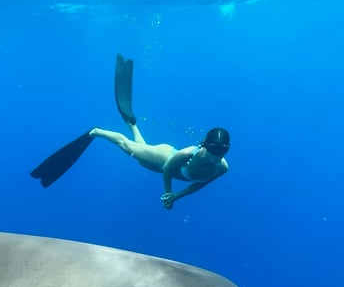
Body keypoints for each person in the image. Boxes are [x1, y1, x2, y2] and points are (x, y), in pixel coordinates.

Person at [31, 54, 229, 210]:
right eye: (213, 149)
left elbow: (200, 184)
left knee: (140, 154)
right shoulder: (188, 153)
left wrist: (177, 196)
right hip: (164, 158)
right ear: (204, 144)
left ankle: (132, 123)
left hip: (168, 161)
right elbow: (168, 169)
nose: (216, 155)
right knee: (130, 149)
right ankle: (96, 132)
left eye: (222, 151)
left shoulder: (222, 168)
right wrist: (168, 192)